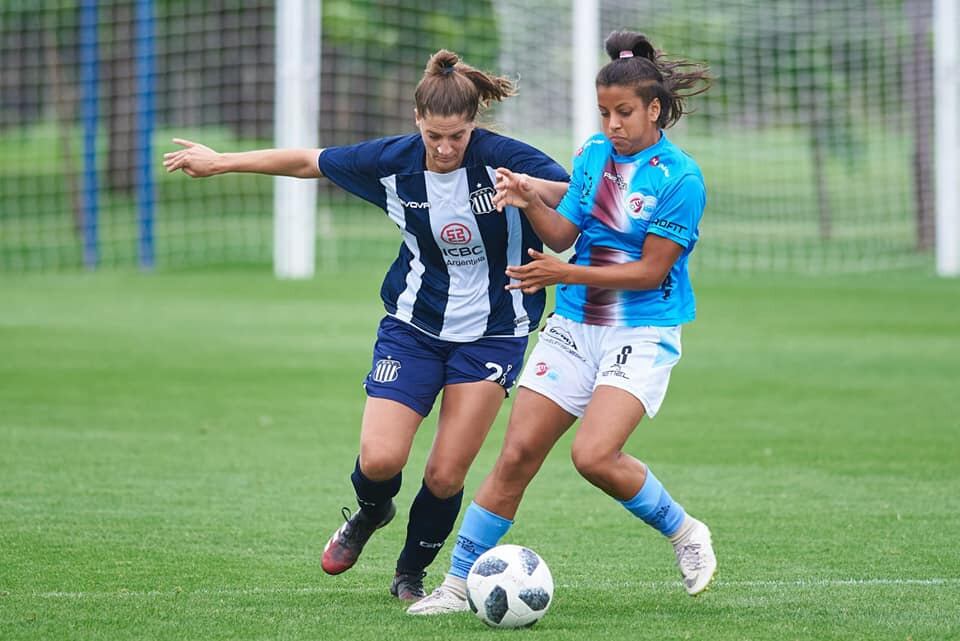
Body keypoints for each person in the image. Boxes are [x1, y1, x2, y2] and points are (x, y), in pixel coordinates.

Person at [163, 50, 570, 602]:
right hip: (413, 325)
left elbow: (573, 200)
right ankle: (371, 512)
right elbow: (310, 161)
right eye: (434, 137)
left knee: (446, 474)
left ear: (474, 125)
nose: (446, 149)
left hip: (496, 333)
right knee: (380, 459)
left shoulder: (507, 159)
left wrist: (531, 190)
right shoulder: (392, 161)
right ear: (416, 122)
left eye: (458, 136)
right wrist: (223, 161)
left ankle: (410, 575)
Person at [407, 30, 715, 615]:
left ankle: (686, 534)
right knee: (517, 453)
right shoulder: (593, 155)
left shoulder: (680, 178)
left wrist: (562, 275)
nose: (612, 125)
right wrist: (528, 199)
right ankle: (455, 585)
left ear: (653, 109)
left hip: (641, 331)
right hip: (574, 325)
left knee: (594, 456)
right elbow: (565, 234)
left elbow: (651, 272)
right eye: (603, 112)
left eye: (623, 112)